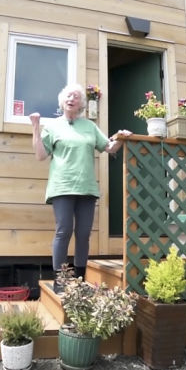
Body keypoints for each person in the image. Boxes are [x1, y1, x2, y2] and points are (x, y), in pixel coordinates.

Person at [30, 83, 131, 290]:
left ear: (81, 103)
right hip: (62, 186)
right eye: (68, 96)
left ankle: (79, 279)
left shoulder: (90, 126)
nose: (71, 99)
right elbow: (40, 155)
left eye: (76, 96)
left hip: (86, 188)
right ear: (62, 101)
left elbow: (109, 147)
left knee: (84, 234)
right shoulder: (53, 126)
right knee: (64, 231)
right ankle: (60, 281)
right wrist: (35, 127)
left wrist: (121, 137)